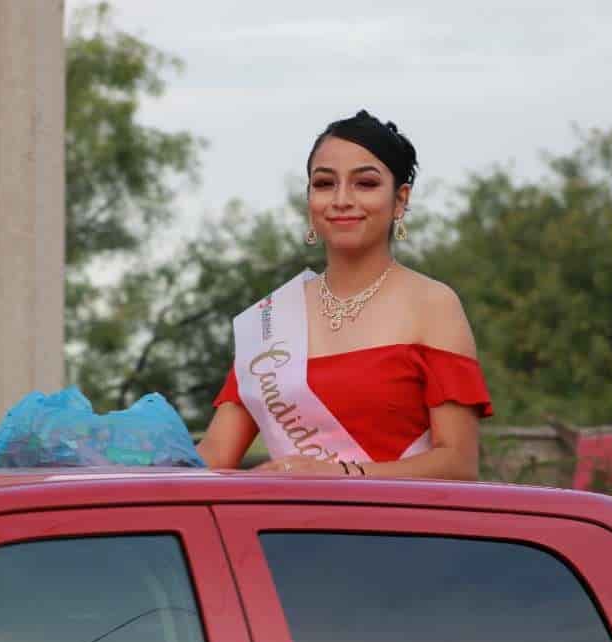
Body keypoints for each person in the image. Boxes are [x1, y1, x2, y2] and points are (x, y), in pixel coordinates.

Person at [197, 110, 493, 479]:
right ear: (309, 200)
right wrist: (122, 456)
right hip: (292, 533)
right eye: (324, 184)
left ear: (400, 200)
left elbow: (458, 465)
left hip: (400, 531)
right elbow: (213, 457)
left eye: (365, 184)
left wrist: (340, 477)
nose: (341, 199)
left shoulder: (433, 305)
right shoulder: (272, 319)